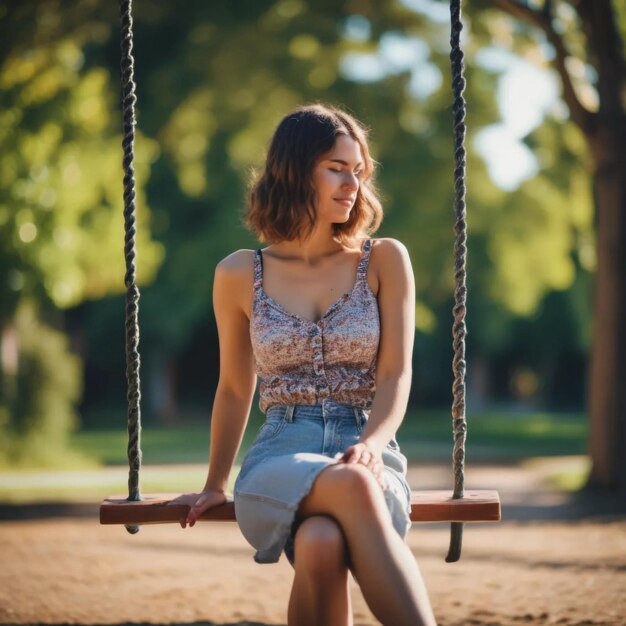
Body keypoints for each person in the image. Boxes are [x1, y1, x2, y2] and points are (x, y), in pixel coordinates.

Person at [172, 103, 438, 626]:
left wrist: (372, 445)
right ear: (296, 171)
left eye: (357, 171)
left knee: (320, 543)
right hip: (279, 454)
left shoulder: (384, 260)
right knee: (348, 492)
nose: (352, 184)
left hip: (368, 450)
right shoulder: (238, 274)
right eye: (336, 168)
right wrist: (214, 484)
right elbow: (232, 389)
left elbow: (395, 374)